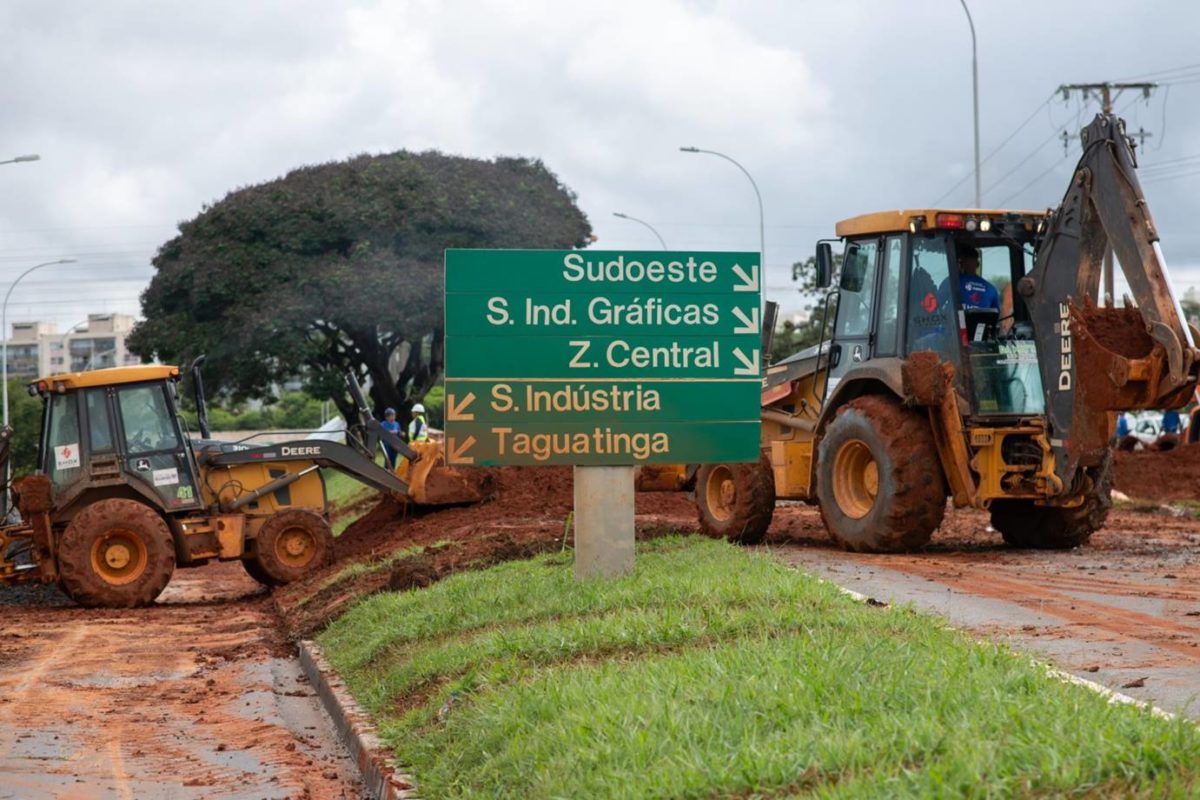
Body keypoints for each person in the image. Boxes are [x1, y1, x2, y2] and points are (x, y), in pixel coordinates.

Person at [956, 245, 1000, 312]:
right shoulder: (990, 289)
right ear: (977, 264)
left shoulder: (951, 283)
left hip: (958, 322)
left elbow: (939, 303)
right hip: (983, 322)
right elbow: (995, 315)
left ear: (961, 263)